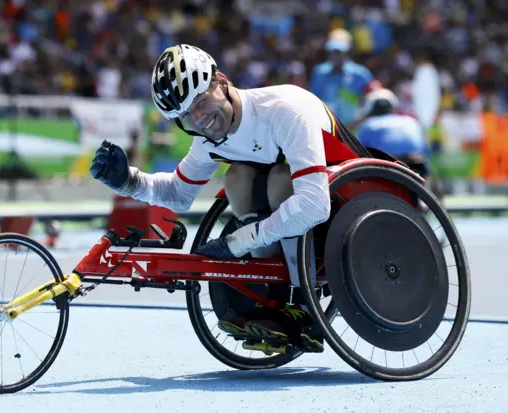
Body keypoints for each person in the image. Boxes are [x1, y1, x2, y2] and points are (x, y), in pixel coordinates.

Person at [90, 44, 371, 353]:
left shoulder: (283, 110)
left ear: (221, 82)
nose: (199, 119)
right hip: (304, 215)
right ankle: (275, 299)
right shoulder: (207, 140)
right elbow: (178, 194)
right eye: (184, 116)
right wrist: (128, 181)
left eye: (200, 102)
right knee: (236, 178)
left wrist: (242, 241)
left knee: (279, 180)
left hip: (357, 201)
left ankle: (301, 304)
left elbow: (314, 205)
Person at [310, 29, 382, 130]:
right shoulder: (319, 72)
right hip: (327, 130)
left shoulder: (360, 74)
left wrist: (358, 121)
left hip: (352, 131)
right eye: (332, 51)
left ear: (347, 51)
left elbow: (374, 99)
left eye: (338, 51)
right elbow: (313, 101)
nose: (334, 55)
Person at [357, 88, 430, 179]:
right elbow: (425, 150)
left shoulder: (369, 124)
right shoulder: (411, 121)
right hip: (415, 164)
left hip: (385, 167)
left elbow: (358, 153)